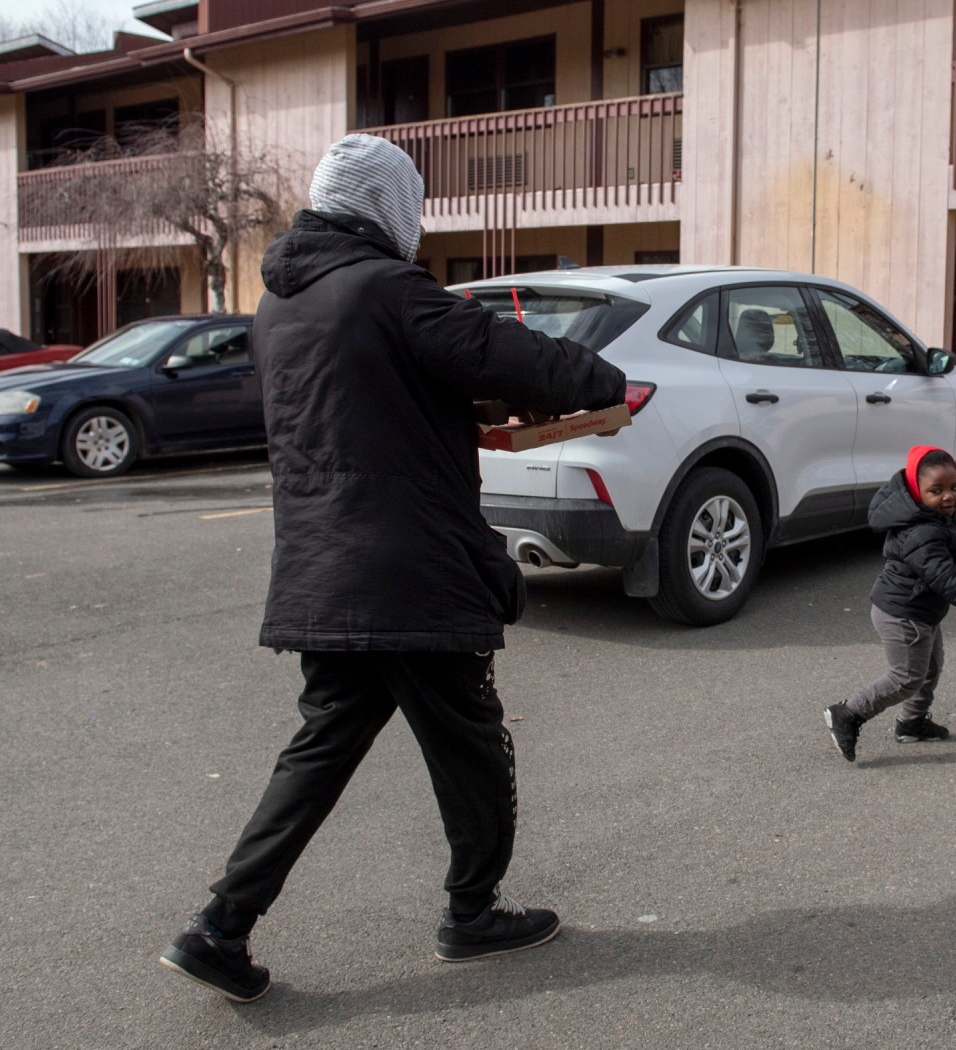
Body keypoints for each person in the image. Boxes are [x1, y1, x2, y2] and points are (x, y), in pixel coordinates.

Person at [159, 134, 628, 1003]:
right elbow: (508, 355)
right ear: (386, 206)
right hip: (410, 569)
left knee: (319, 752)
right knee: (475, 749)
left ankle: (219, 927)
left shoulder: (282, 307)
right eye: (410, 203)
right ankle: (474, 912)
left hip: (323, 567)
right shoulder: (388, 289)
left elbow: (376, 401)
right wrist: (604, 379)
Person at [824, 446, 956, 763]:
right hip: (903, 614)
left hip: (921, 611)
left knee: (931, 668)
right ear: (916, 490)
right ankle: (847, 712)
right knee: (907, 677)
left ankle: (912, 723)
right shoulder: (921, 531)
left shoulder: (936, 516)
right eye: (935, 490)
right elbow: (945, 576)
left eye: (953, 487)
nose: (948, 496)